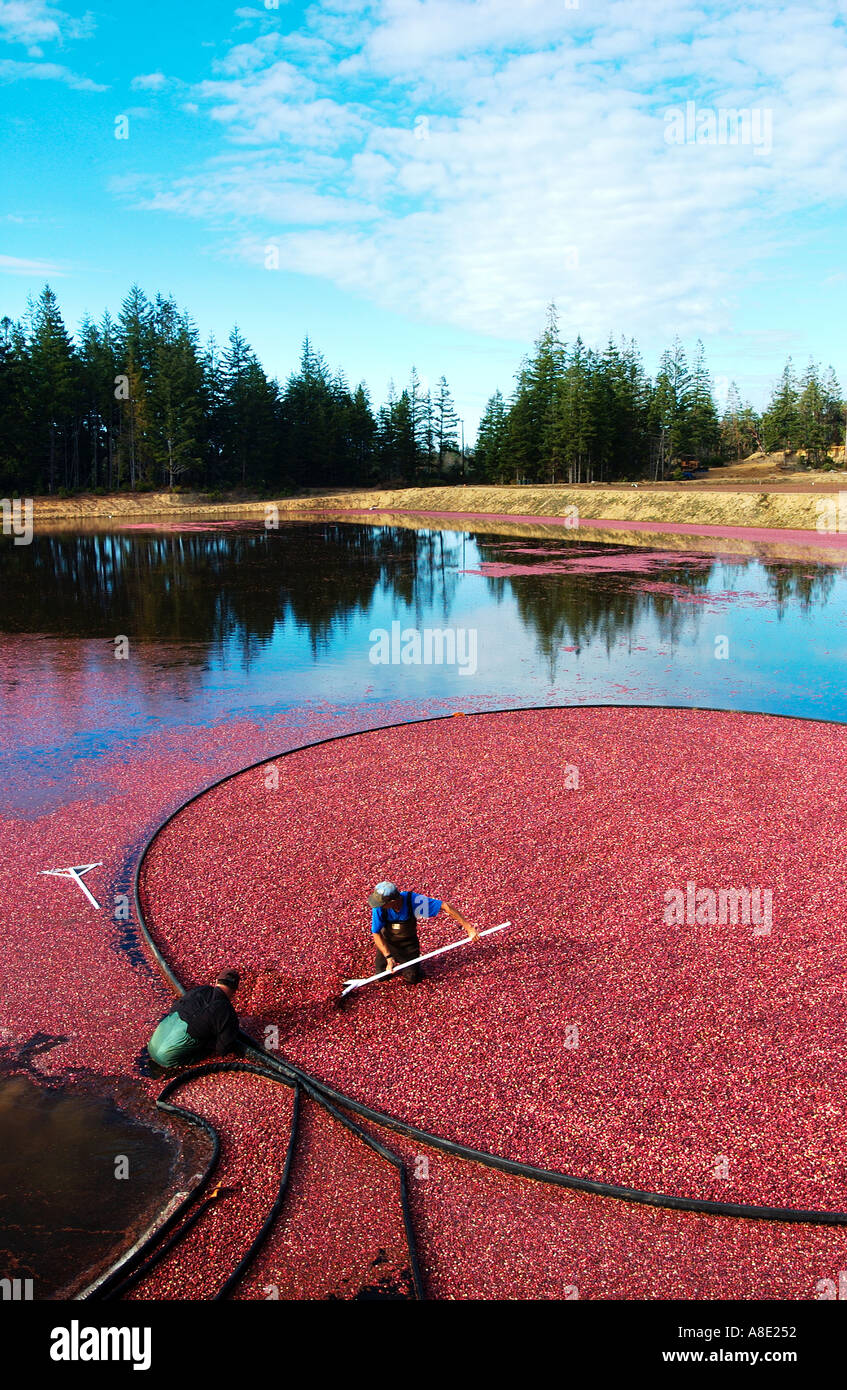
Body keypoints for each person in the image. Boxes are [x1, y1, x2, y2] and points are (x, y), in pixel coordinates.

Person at [368, 881, 478, 987]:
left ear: (392, 901)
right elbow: (376, 933)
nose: (379, 905)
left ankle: (414, 967)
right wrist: (388, 957)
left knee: (412, 978)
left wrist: (469, 928)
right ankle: (392, 960)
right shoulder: (379, 908)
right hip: (388, 943)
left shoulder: (412, 900)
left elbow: (445, 906)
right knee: (381, 976)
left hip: (408, 945)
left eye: (383, 903)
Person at [147, 969, 242, 1069]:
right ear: (235, 990)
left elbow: (174, 1008)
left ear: (216, 982)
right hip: (168, 1059)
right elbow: (223, 1049)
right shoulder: (227, 1012)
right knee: (205, 1047)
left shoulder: (201, 989)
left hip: (153, 1044)